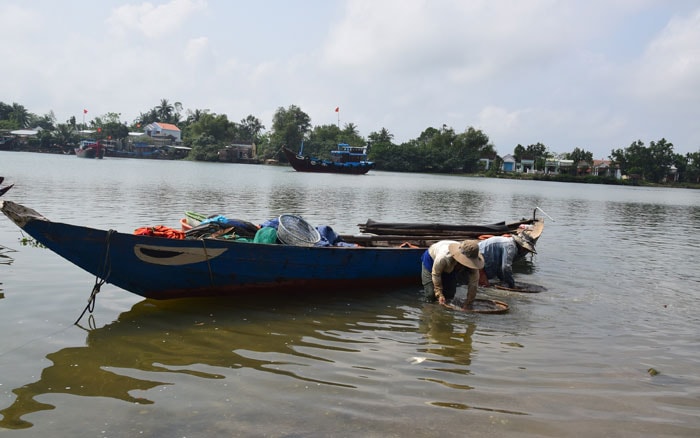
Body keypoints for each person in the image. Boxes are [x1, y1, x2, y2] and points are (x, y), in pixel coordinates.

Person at [421, 239, 485, 309]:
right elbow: (436, 274)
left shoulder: (473, 265)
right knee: (430, 294)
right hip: (431, 260)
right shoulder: (443, 257)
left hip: (452, 268)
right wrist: (439, 294)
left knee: (450, 295)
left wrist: (468, 303)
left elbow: (473, 284)